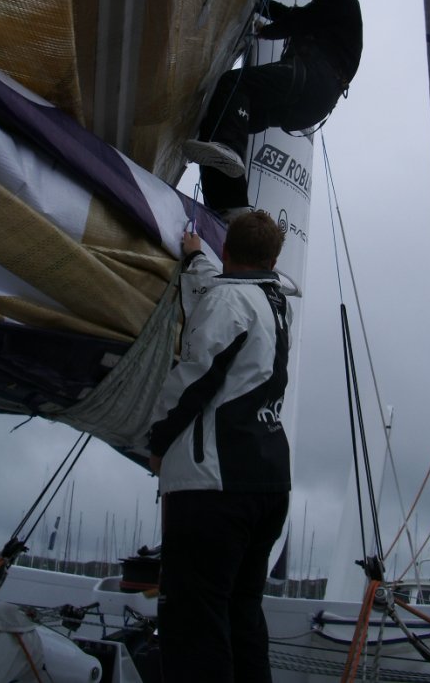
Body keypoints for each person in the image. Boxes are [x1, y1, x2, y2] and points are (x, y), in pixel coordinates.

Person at [148, 211, 291, 683]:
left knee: (195, 623)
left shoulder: (228, 301)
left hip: (214, 486)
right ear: (274, 260)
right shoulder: (275, 301)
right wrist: (196, 261)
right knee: (241, 614)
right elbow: (227, 297)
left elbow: (194, 378)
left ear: (226, 250)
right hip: (268, 482)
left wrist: (158, 441)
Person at [183, 0, 363, 219]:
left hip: (311, 79)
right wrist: (259, 5)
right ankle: (229, 207)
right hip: (313, 104)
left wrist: (264, 31)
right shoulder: (332, 12)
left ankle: (228, 154)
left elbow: (296, 20)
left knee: (233, 85)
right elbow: (293, 15)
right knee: (223, 118)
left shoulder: (342, 0)